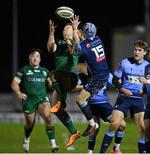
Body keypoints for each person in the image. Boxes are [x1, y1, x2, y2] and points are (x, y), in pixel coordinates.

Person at [100, 40, 149, 153]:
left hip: (138, 100)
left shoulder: (148, 67)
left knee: (142, 128)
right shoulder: (125, 62)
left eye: (139, 50)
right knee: (115, 124)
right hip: (124, 98)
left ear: (145, 52)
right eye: (135, 49)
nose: (136, 52)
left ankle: (122, 149)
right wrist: (122, 89)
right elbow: (115, 80)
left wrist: (144, 90)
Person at [11, 48, 59, 153]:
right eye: (33, 56)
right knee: (30, 124)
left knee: (48, 117)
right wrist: (19, 93)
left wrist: (56, 84)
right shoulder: (23, 70)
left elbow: (51, 85)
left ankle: (53, 144)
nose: (35, 58)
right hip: (28, 100)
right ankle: (27, 139)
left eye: (37, 56)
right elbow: (14, 84)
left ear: (40, 59)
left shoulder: (45, 71)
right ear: (29, 58)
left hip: (42, 98)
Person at [47, 15, 85, 147]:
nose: (64, 30)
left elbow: (72, 51)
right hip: (60, 81)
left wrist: (73, 31)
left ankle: (61, 101)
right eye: (63, 28)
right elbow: (50, 49)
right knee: (56, 110)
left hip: (71, 77)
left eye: (67, 28)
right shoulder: (59, 42)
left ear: (73, 31)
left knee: (53, 74)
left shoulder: (76, 43)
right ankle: (74, 132)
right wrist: (51, 34)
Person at [73, 21, 111, 136]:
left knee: (80, 99)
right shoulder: (98, 39)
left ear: (84, 33)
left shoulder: (83, 47)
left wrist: (75, 28)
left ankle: (92, 124)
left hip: (98, 78)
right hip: (103, 74)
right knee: (80, 70)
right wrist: (81, 36)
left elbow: (76, 48)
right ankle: (92, 123)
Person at [86, 73, 126, 154]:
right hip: (91, 104)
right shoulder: (84, 73)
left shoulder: (105, 73)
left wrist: (122, 85)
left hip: (104, 104)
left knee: (121, 124)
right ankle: (90, 152)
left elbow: (115, 83)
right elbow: (75, 85)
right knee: (95, 129)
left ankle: (116, 149)